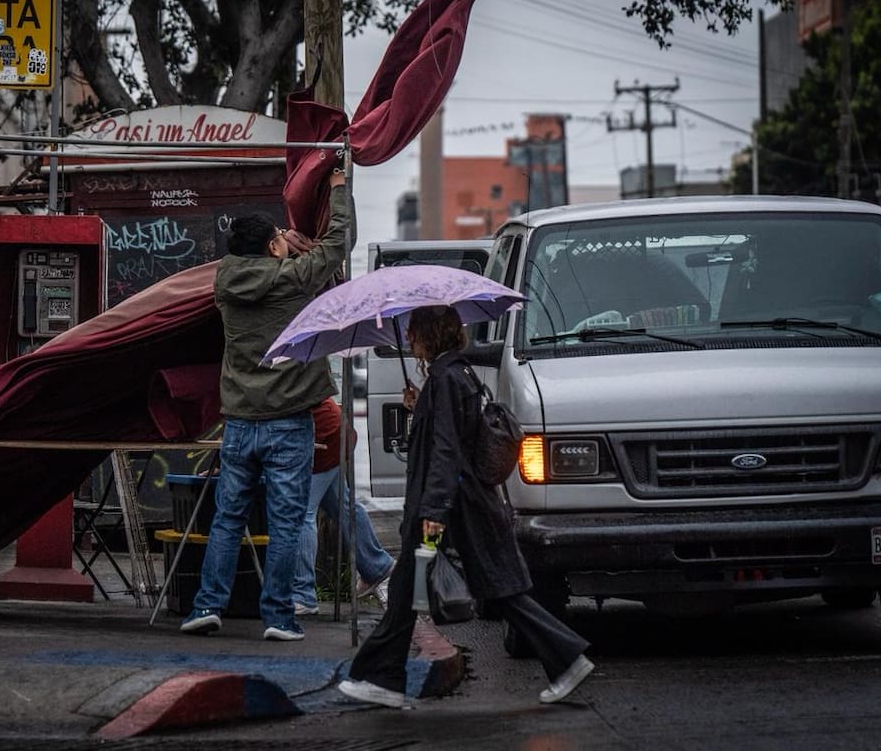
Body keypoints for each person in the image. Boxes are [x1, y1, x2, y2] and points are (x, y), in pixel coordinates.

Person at [338, 305, 594, 707]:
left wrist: (432, 516)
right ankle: (383, 677)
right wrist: (418, 406)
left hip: (446, 511)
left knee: (426, 590)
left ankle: (380, 678)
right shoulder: (457, 374)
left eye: (415, 332)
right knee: (439, 591)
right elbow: (454, 436)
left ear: (432, 335)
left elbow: (445, 452)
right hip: (464, 508)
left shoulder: (444, 379)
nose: (409, 340)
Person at [180, 168, 354, 641]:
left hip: (238, 423)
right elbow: (338, 244)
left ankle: (206, 606)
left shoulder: (223, 283)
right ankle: (278, 617)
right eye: (278, 236)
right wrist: (338, 190)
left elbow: (269, 264)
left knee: (227, 518)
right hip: (288, 423)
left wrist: (283, 248)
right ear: (271, 247)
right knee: (285, 522)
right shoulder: (290, 279)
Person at [293, 396, 394, 615]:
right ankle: (377, 567)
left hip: (321, 439)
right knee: (343, 504)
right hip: (333, 431)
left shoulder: (274, 371)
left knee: (301, 514)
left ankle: (303, 594)